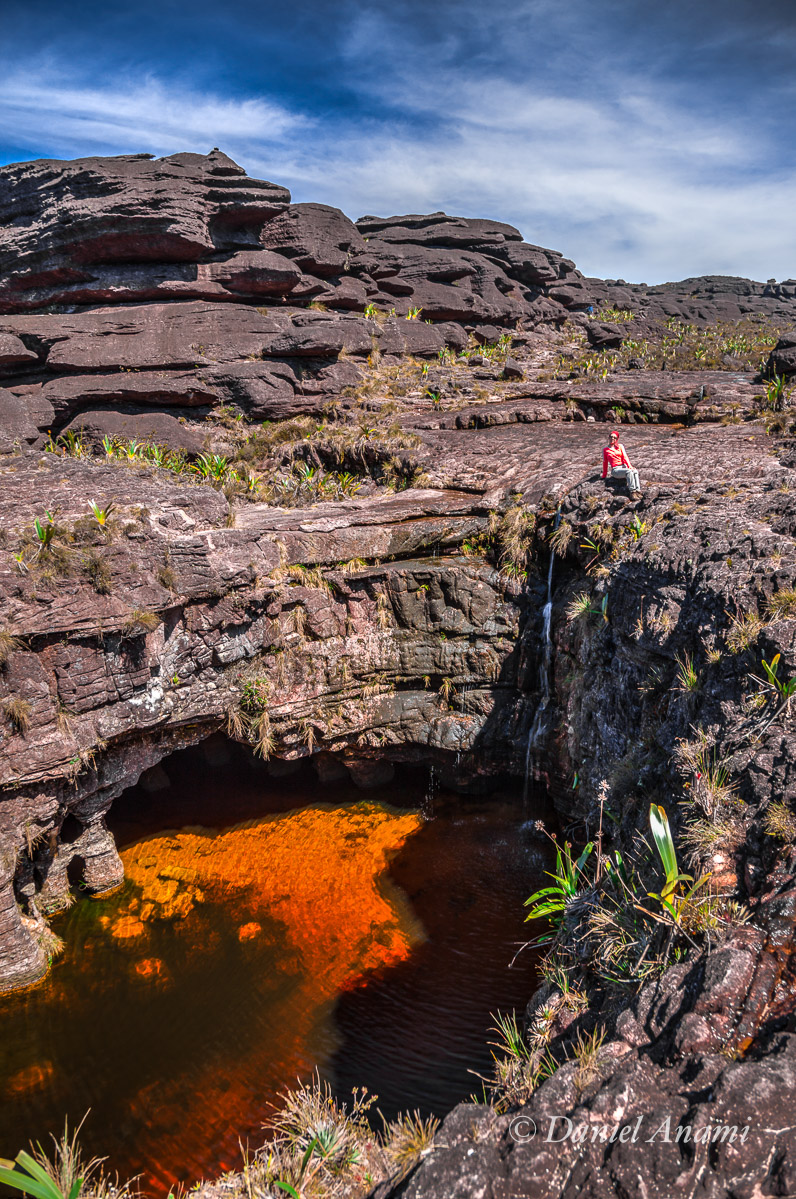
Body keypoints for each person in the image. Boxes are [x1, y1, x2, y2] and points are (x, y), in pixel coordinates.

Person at [602, 430, 641, 496]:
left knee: (635, 471)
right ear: (608, 437)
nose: (612, 439)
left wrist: (630, 466)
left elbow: (625, 457)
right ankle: (633, 492)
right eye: (611, 437)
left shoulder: (620, 446)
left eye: (615, 438)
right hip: (615, 470)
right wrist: (604, 475)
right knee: (629, 472)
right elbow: (605, 463)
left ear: (617, 439)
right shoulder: (605, 449)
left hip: (623, 467)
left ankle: (638, 491)